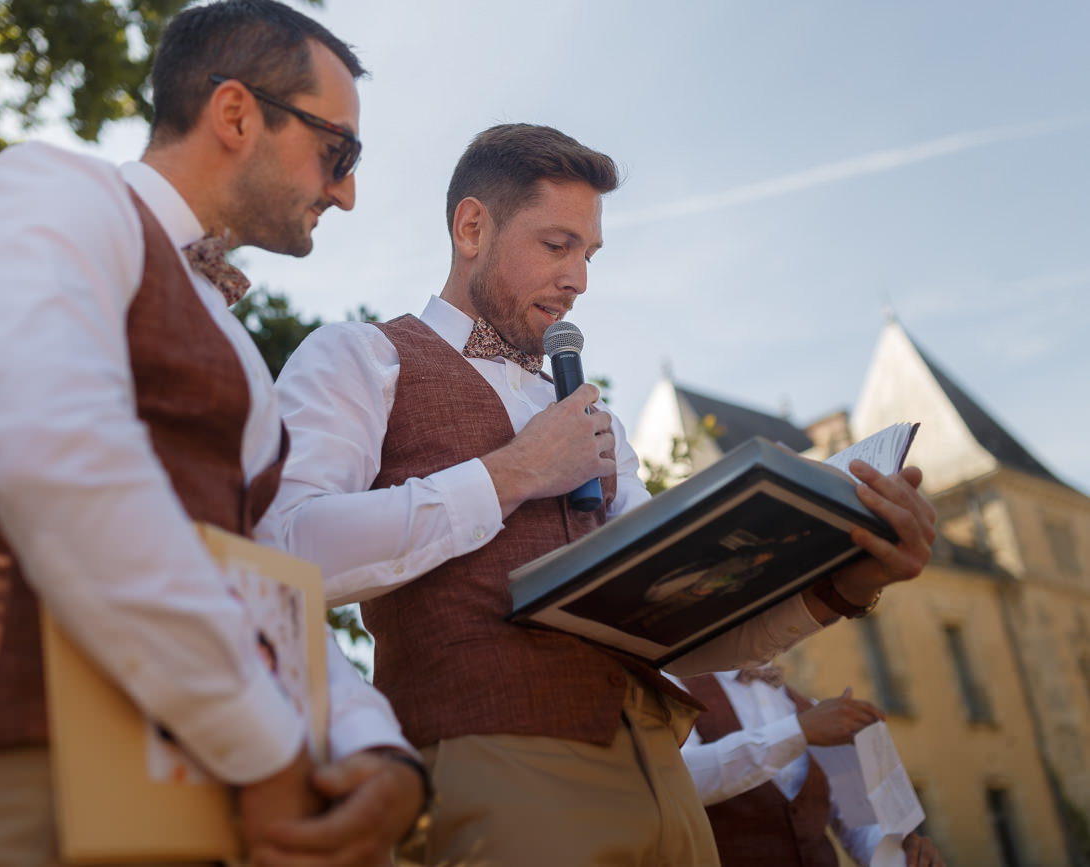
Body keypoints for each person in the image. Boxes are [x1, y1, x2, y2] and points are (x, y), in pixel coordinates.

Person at [257, 122, 938, 866]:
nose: (580, 278)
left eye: (589, 253)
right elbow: (284, 550)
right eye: (558, 245)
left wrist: (846, 579)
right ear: (473, 227)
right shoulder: (360, 356)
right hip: (497, 771)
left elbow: (685, 627)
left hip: (669, 788)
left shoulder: (599, 414)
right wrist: (513, 472)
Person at [0, 2, 426, 865]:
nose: (347, 191)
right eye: (338, 150)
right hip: (29, 785)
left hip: (215, 807)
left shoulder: (233, 335)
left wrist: (373, 746)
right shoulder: (51, 190)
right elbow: (61, 463)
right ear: (237, 114)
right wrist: (268, 741)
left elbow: (259, 570)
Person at [677, 666, 946, 867]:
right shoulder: (676, 687)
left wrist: (901, 855)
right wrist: (798, 732)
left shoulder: (812, 708)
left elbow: (858, 822)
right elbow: (679, 779)